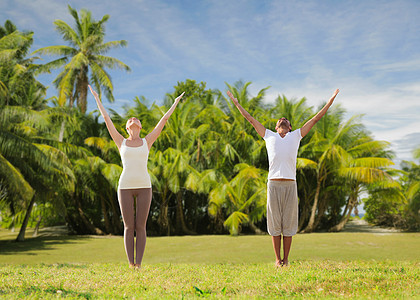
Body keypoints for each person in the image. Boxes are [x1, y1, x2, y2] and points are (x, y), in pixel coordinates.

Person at [227, 89, 339, 267]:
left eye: (285, 120)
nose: (283, 119)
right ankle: (277, 260)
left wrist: (331, 100)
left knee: (288, 224)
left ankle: (286, 259)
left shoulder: (296, 136)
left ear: (290, 127)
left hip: (290, 185)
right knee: (274, 225)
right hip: (273, 185)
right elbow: (249, 118)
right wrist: (236, 102)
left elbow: (316, 118)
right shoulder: (268, 135)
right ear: (276, 126)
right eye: (280, 121)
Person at [89, 85, 184, 269]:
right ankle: (130, 264)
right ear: (127, 127)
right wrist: (96, 98)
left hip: (144, 187)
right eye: (130, 119)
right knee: (128, 227)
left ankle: (138, 264)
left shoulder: (147, 141)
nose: (133, 119)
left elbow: (163, 120)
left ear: (139, 126)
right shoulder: (121, 141)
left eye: (136, 119)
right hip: (124, 186)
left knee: (140, 226)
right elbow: (106, 118)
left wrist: (174, 103)